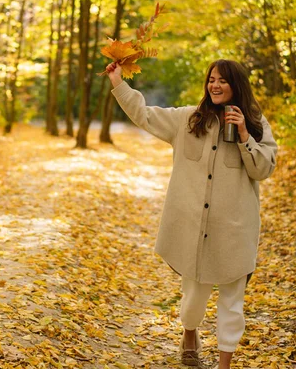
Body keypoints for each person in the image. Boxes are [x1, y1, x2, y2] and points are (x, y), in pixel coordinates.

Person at [106, 59, 278, 369]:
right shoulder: (188, 119)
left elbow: (263, 169)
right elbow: (144, 115)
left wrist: (243, 136)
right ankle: (189, 333)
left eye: (223, 81)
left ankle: (224, 364)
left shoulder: (255, 122)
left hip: (235, 232)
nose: (215, 85)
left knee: (232, 304)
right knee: (193, 302)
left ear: (236, 85)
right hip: (194, 231)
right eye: (211, 79)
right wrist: (119, 83)